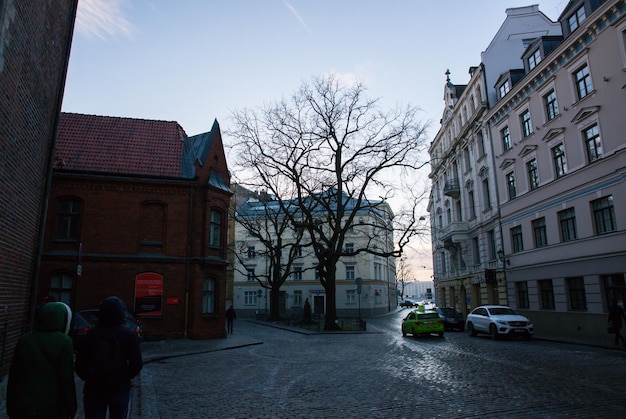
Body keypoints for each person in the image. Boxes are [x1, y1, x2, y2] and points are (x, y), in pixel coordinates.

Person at [75, 296, 143, 419]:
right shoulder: (128, 335)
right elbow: (136, 363)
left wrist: (89, 377)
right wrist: (125, 376)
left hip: (94, 387)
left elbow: (80, 363)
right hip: (119, 387)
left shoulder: (91, 334)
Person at [7, 301, 77, 419]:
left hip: (23, 403)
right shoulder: (64, 342)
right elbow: (66, 379)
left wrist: (10, 405)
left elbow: (14, 375)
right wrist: (71, 406)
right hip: (51, 405)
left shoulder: (25, 339)